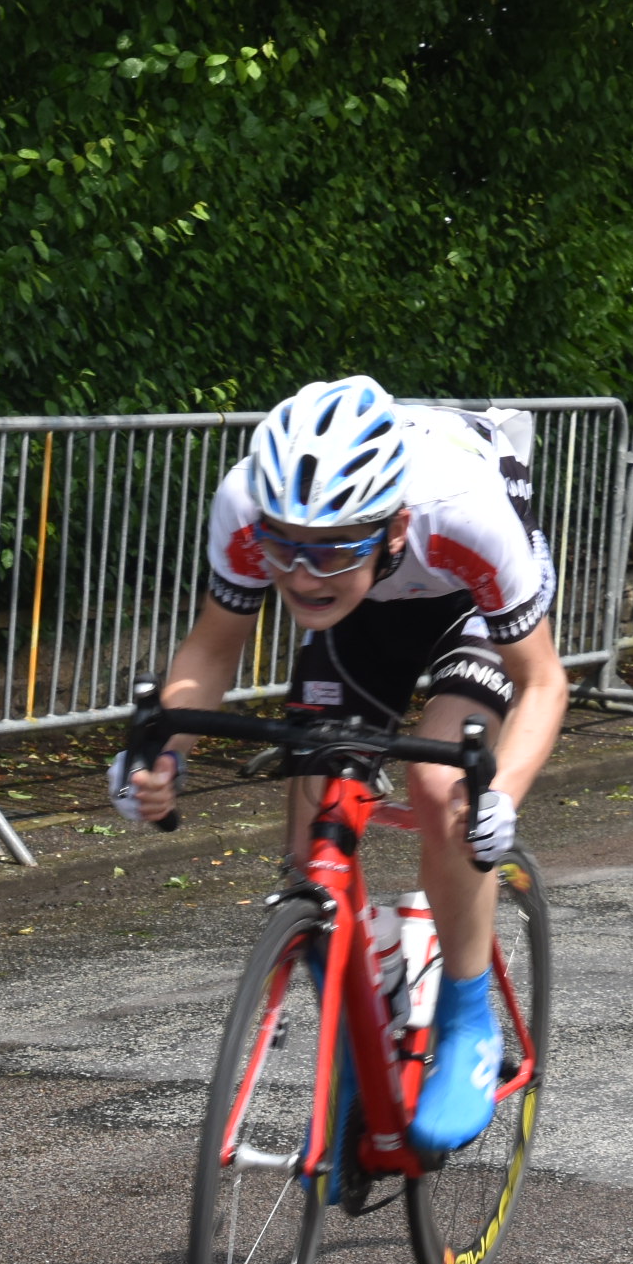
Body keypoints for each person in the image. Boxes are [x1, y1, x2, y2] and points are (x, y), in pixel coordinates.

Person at [117, 376, 570, 1159]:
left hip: (467, 599)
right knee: (313, 838)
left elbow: (542, 682)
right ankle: (358, 1027)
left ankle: (467, 1018)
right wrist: (160, 756)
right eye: (283, 546)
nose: (300, 574)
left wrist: (501, 796)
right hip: (363, 611)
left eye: (328, 547)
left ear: (393, 526)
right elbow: (213, 649)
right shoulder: (250, 505)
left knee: (441, 786)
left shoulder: (462, 511)